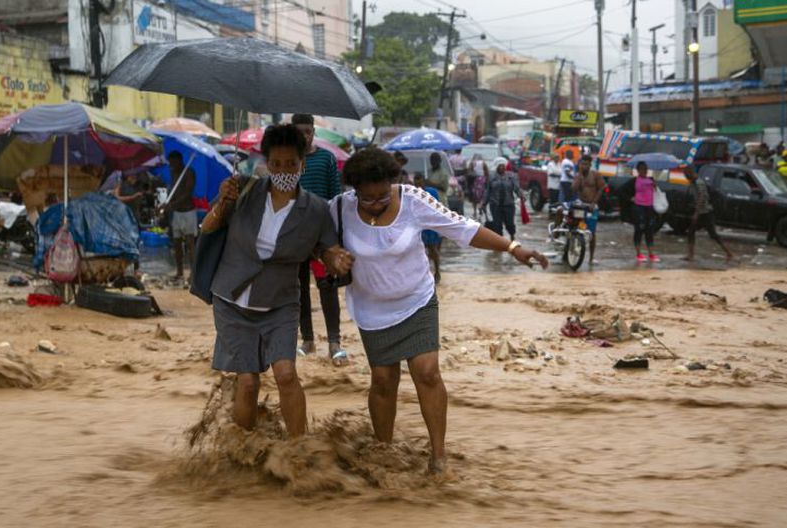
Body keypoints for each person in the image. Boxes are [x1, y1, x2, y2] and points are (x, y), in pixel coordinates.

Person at [330, 146, 548, 474]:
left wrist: (513, 247)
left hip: (416, 300)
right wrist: (329, 255)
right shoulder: (339, 208)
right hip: (372, 310)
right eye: (368, 199)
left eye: (382, 197)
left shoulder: (414, 200)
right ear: (354, 191)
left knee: (427, 372)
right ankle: (384, 452)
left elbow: (464, 228)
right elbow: (316, 242)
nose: (375, 204)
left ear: (392, 183)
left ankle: (438, 457)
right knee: (383, 379)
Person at [200, 124, 352, 437]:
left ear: (302, 165)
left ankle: (299, 450)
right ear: (267, 163)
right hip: (232, 300)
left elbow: (327, 249)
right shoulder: (241, 188)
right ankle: (243, 450)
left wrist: (337, 259)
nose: (284, 170)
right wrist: (222, 202)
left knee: (285, 373)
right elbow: (208, 228)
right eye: (277, 164)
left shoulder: (317, 210)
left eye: (291, 164)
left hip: (280, 303)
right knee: (248, 380)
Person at [290, 113, 347, 365]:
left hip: (323, 235)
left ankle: (334, 342)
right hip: (294, 236)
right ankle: (308, 340)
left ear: (314, 132)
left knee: (327, 287)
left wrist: (337, 238)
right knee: (299, 289)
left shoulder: (326, 158)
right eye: (300, 131)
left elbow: (336, 198)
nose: (305, 135)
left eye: (308, 131)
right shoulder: (288, 162)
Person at [683, 166, 733, 262]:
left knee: (712, 234)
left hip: (705, 213)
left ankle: (729, 253)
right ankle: (690, 255)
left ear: (690, 173)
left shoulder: (699, 183)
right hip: (702, 212)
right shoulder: (693, 183)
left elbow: (703, 197)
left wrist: (696, 213)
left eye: (686, 175)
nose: (686, 177)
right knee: (691, 232)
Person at [162, 151, 198, 280]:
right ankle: (180, 272)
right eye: (170, 163)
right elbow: (173, 192)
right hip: (177, 213)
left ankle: (194, 274)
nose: (171, 165)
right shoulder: (173, 173)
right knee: (176, 244)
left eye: (173, 163)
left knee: (190, 244)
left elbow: (188, 193)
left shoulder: (189, 172)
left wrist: (173, 205)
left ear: (179, 161)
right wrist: (166, 204)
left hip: (188, 212)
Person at [571, 155, 605, 265]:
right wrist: (579, 175)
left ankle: (591, 258)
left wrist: (594, 202)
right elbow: (573, 189)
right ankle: (570, 252)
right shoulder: (577, 176)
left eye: (586, 164)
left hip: (591, 206)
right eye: (582, 163)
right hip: (580, 205)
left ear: (590, 165)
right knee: (574, 228)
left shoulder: (596, 175)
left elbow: (601, 188)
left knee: (592, 232)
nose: (584, 166)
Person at [481, 159, 522, 240]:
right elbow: (487, 191)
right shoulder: (491, 177)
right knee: (497, 225)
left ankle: (512, 237)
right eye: (500, 166)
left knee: (510, 224)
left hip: (509, 204)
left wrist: (521, 195)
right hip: (495, 205)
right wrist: (484, 203)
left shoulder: (511, 176)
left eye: (503, 166)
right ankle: (500, 243)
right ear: (496, 167)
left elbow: (516, 188)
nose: (502, 168)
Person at [414, 173, 443, 283]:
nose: (418, 182)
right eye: (416, 180)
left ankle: (437, 271)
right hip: (418, 225)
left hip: (430, 224)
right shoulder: (413, 193)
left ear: (423, 180)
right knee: (419, 250)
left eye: (419, 179)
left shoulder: (432, 192)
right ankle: (422, 274)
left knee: (433, 248)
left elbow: (437, 207)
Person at [627, 161, 659, 263]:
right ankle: (638, 253)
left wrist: (655, 185)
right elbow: (622, 191)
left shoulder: (651, 180)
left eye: (645, 169)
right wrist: (630, 198)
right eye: (641, 169)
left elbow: (656, 191)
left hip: (649, 207)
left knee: (649, 230)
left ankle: (651, 253)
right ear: (638, 170)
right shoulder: (634, 181)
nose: (644, 171)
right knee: (639, 230)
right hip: (638, 207)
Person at [467, 153, 489, 219]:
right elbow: (487, 172)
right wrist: (487, 181)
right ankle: (480, 207)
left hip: (474, 181)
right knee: (481, 196)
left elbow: (469, 172)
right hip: (482, 180)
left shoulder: (472, 163)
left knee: (474, 197)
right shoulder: (483, 163)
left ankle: (474, 212)